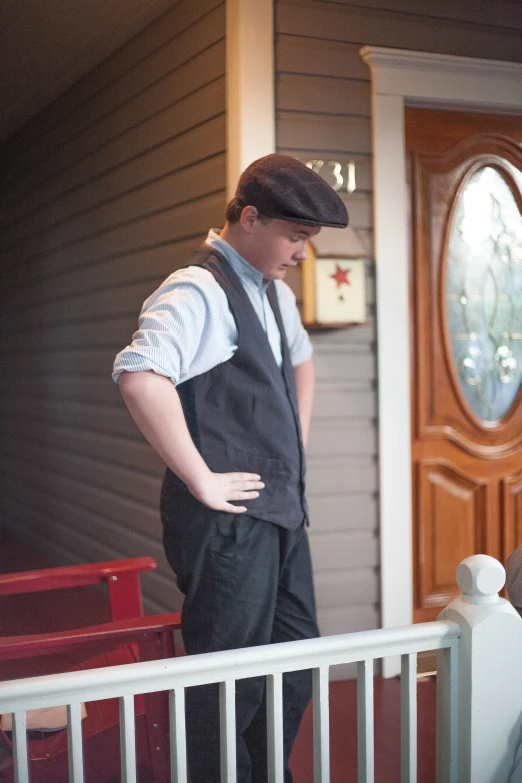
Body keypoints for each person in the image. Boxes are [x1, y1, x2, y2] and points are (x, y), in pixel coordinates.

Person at [112, 154, 348, 782]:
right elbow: (140, 378)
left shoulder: (270, 290)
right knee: (227, 680)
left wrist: (292, 444)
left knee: (294, 665)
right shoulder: (199, 288)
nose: (302, 253)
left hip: (280, 513)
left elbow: (300, 362)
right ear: (250, 217)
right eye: (295, 237)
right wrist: (200, 477)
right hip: (229, 523)